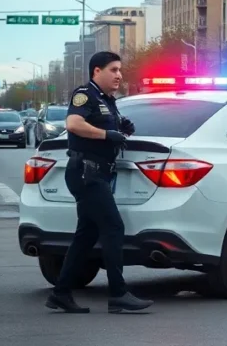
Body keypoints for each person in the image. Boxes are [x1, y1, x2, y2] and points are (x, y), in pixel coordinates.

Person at [44, 51, 153, 314]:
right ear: (96, 71)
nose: (119, 75)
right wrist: (107, 134)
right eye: (113, 70)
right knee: (114, 227)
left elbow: (106, 126)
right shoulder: (85, 94)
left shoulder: (107, 100)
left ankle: (60, 293)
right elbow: (73, 124)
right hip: (87, 172)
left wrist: (122, 127)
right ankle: (118, 294)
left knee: (86, 235)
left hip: (98, 173)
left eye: (120, 70)